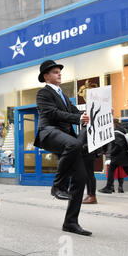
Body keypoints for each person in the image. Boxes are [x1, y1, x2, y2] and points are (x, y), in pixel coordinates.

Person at [34, 60, 92, 236]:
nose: (59, 74)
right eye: (55, 72)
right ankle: (58, 185)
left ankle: (70, 222)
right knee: (74, 143)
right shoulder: (43, 93)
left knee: (81, 178)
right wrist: (78, 119)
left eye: (60, 71)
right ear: (46, 76)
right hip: (49, 132)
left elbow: (78, 113)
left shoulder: (64, 96)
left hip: (65, 138)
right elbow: (52, 113)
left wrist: (100, 111)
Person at [98, 119, 128, 193]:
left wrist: (112, 153)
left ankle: (108, 187)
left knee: (111, 169)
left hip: (119, 156)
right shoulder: (123, 130)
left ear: (113, 124)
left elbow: (119, 145)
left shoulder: (116, 133)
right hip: (124, 156)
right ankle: (110, 187)